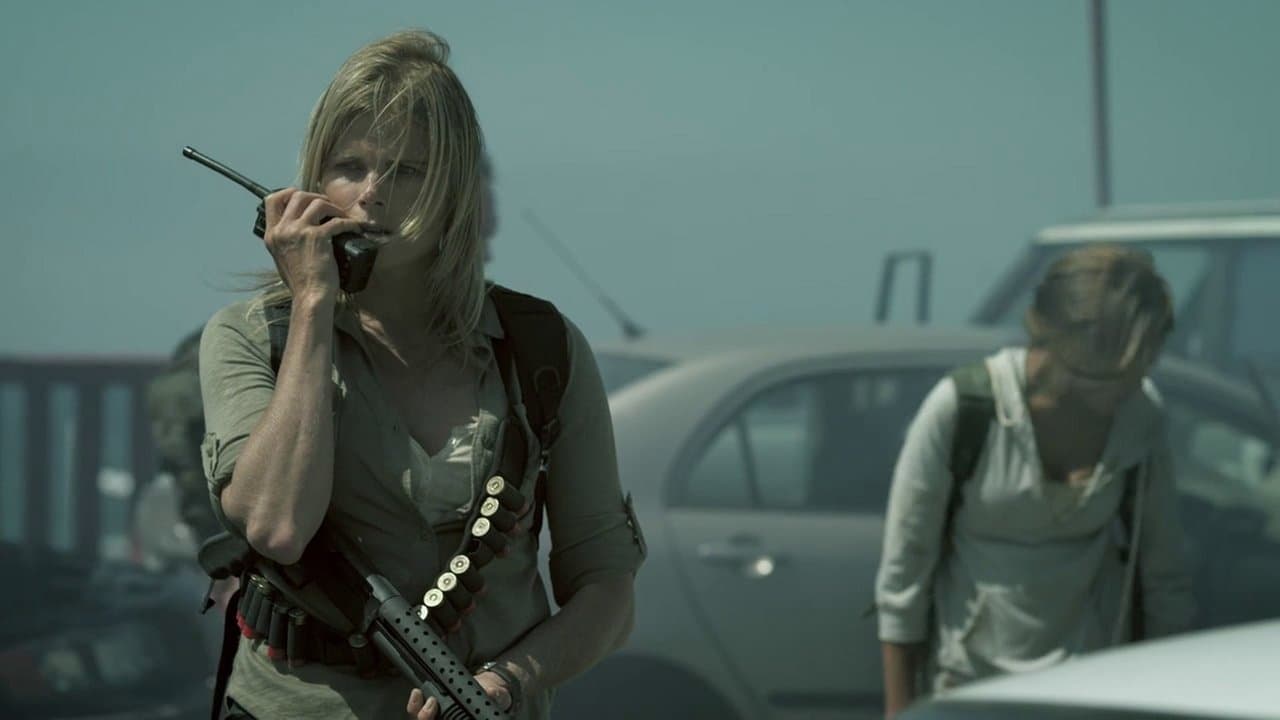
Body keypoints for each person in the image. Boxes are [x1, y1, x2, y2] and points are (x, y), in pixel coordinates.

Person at [197, 29, 644, 720]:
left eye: (407, 171)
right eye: (349, 166)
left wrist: (507, 680)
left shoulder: (540, 349)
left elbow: (608, 591)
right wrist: (314, 304)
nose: (372, 196)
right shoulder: (252, 337)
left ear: (453, 189)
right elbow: (278, 527)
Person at [874, 245, 1195, 717]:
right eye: (1120, 367)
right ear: (1068, 346)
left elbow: (1164, 576)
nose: (1133, 382)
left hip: (1091, 689)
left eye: (1143, 364)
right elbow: (903, 579)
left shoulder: (1139, 415)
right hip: (969, 690)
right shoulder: (964, 408)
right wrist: (899, 712)